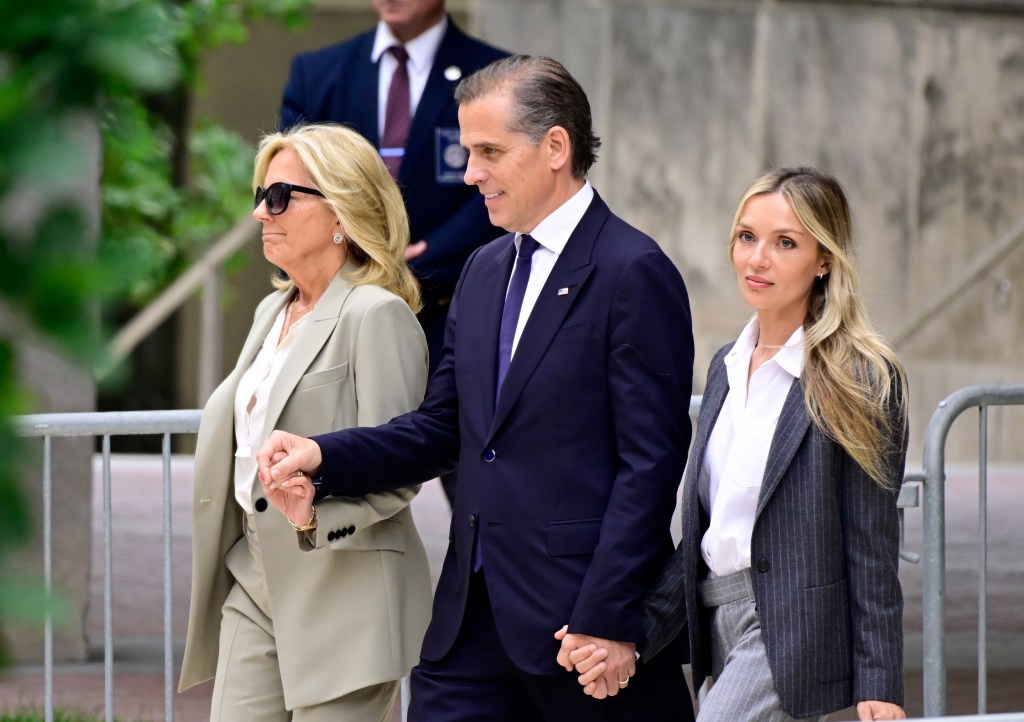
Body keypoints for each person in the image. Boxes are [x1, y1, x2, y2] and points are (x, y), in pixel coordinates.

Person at [257, 55, 696, 722]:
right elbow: (443, 430)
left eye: (488, 151)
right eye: (468, 152)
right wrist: (324, 458)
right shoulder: (484, 270)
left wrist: (609, 616)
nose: (469, 174)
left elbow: (651, 465)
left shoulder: (634, 271)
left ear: (556, 147)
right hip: (470, 623)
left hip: (580, 628)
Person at [559, 167, 909, 722]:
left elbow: (872, 541)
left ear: (825, 260)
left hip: (789, 629)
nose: (757, 259)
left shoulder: (860, 377)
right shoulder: (726, 364)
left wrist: (880, 679)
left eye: (785, 243)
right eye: (747, 237)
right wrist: (627, 632)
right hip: (716, 620)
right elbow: (704, 536)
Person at [178, 124, 433, 722]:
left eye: (280, 196)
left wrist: (318, 513)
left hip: (345, 593)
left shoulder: (378, 315)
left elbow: (401, 466)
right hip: (256, 580)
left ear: (342, 209)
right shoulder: (273, 310)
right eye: (260, 195)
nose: (262, 213)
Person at [279, 0, 509, 378]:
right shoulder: (318, 74)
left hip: (451, 313)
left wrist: (422, 260)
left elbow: (506, 181)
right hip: (334, 320)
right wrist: (354, 256)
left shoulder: (497, 78)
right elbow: (291, 185)